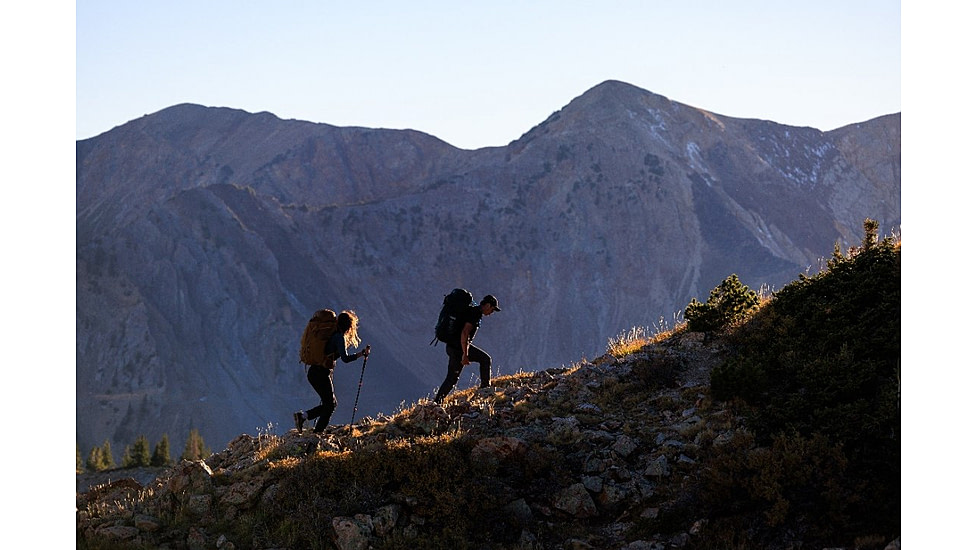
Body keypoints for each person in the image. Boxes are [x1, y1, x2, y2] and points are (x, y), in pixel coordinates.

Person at [294, 310, 370, 433]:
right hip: (321, 374)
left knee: (330, 403)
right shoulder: (339, 337)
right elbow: (345, 359)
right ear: (348, 326)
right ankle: (315, 431)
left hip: (315, 372)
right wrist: (361, 354)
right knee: (330, 405)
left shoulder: (332, 334)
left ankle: (304, 417)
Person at [434, 295, 501, 403]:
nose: (491, 313)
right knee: (485, 360)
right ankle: (485, 389)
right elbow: (465, 333)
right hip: (458, 349)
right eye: (492, 309)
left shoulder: (473, 311)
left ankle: (437, 402)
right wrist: (465, 354)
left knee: (452, 378)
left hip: (452, 346)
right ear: (487, 305)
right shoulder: (475, 314)